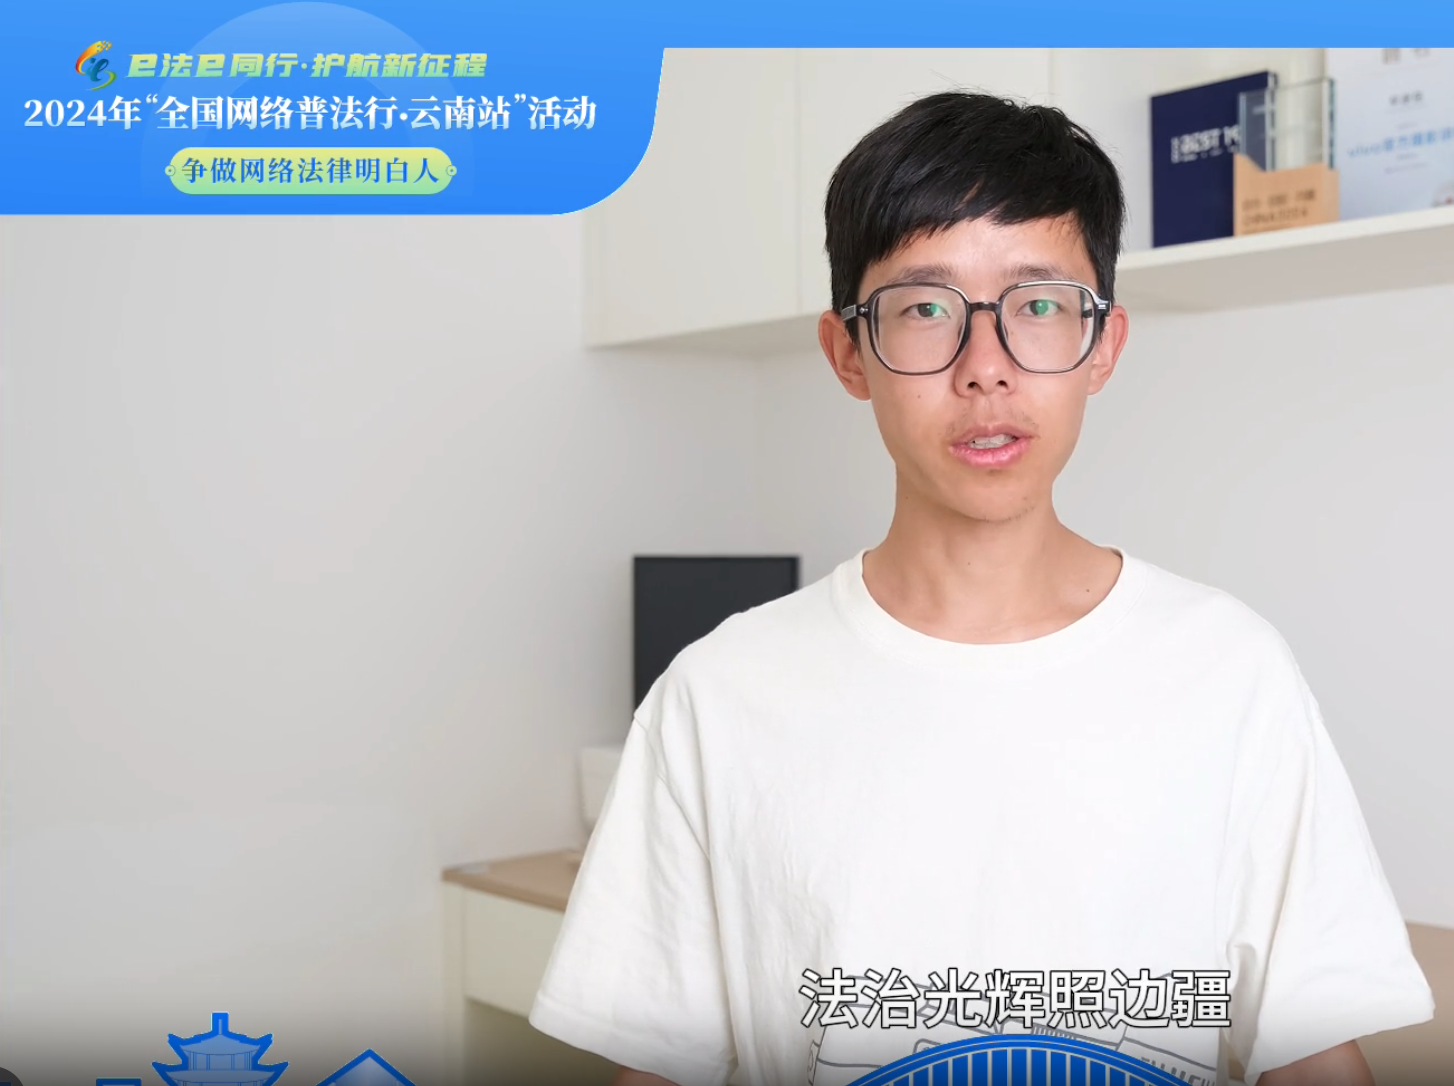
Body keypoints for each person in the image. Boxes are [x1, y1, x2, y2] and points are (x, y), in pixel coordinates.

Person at [527, 91, 1434, 1086]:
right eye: (925, 310)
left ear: (1103, 345)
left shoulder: (1228, 672)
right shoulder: (718, 696)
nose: (985, 370)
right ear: (847, 353)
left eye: (1037, 305)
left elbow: (1312, 1054)